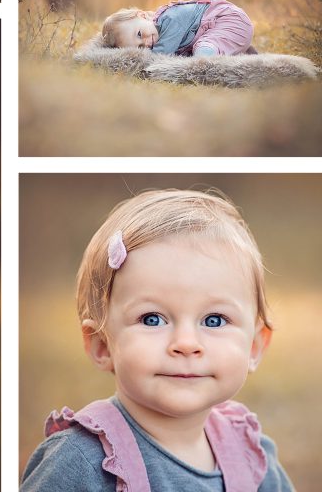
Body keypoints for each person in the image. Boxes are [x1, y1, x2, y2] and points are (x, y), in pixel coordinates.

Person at [21, 189, 294, 490]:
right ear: (101, 344)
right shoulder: (79, 463)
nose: (187, 343)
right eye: (152, 319)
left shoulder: (251, 458)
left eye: (214, 320)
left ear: (254, 347)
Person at [102, 0, 255, 56]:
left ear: (142, 16)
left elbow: (159, 56)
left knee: (203, 49)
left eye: (139, 35)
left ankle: (206, 62)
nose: (147, 43)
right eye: (141, 48)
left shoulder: (170, 19)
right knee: (212, 41)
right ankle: (238, 51)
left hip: (229, 19)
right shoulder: (158, 31)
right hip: (225, 29)